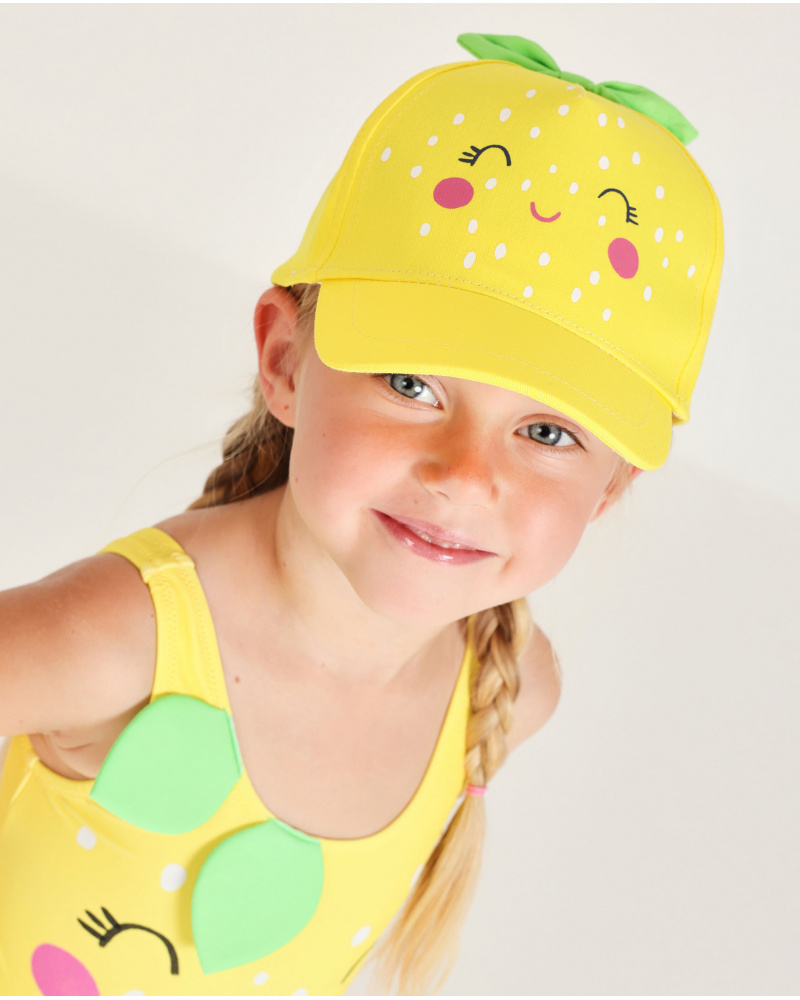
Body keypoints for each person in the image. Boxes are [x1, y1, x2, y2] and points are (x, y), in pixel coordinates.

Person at [0, 32, 723, 997]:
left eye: (548, 433)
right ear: (287, 361)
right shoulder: (111, 639)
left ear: (613, 486)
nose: (465, 476)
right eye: (412, 383)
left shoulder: (504, 699)